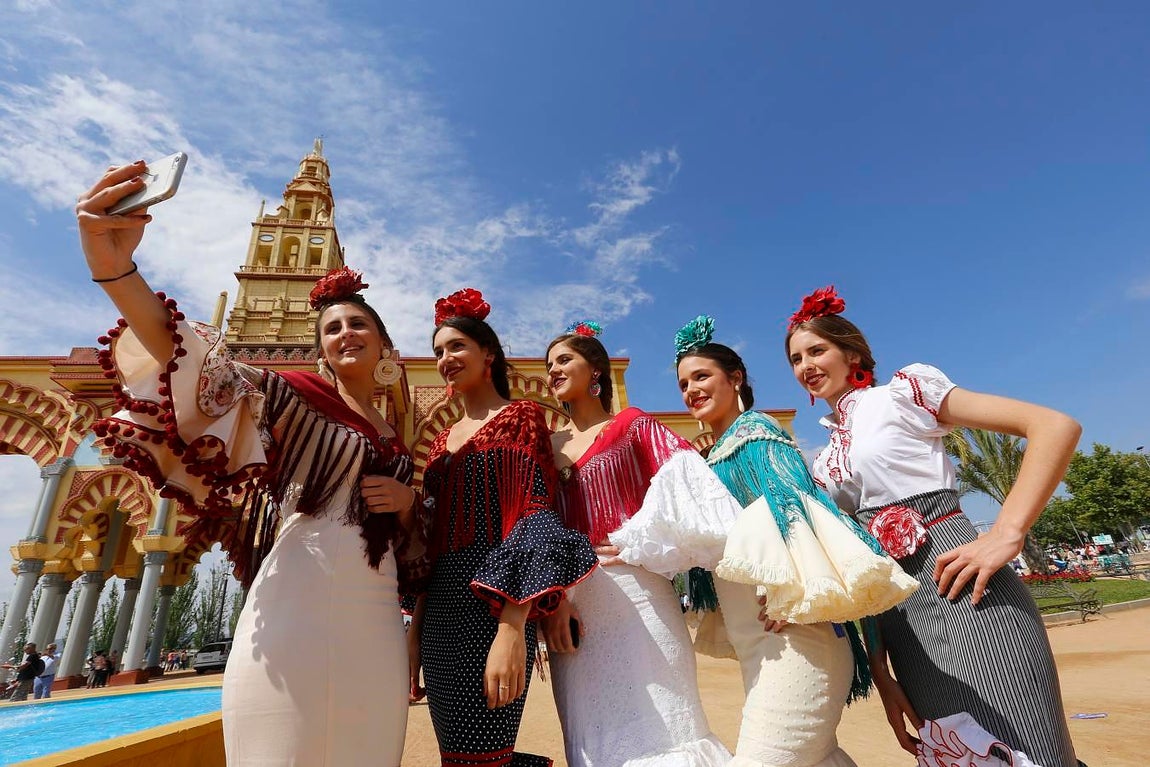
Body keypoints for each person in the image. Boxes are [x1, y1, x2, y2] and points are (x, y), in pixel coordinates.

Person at [77, 162, 420, 766]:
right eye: (332, 327)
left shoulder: (395, 435)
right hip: (298, 591)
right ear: (319, 350)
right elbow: (182, 351)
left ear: (385, 346)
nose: (344, 333)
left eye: (357, 324)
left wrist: (413, 502)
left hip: (376, 609)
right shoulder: (291, 397)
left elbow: (422, 535)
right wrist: (113, 266)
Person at [785, 285, 1083, 766]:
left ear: (852, 352)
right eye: (796, 359)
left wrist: (1006, 532)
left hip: (971, 591)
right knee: (957, 755)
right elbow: (860, 568)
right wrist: (881, 673)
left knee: (1031, 749)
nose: (806, 366)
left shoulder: (903, 394)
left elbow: (1053, 425)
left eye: (817, 350)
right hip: (902, 623)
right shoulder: (823, 462)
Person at [673, 315, 918, 767]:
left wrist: (790, 583)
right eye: (684, 383)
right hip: (765, 652)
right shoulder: (718, 452)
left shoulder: (758, 434)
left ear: (736, 378)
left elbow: (799, 509)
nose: (691, 390)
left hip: (796, 644)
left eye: (702, 376)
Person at [412, 289, 598, 767]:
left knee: (485, 756)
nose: (445, 359)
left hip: (490, 606)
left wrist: (513, 627)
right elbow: (429, 544)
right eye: (438, 352)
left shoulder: (520, 418)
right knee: (457, 757)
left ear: (488, 354)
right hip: (439, 612)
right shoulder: (439, 444)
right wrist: (414, 630)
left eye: (457, 347)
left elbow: (533, 513)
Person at [540, 322, 734, 766]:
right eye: (549, 364)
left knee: (666, 726)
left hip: (637, 596)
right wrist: (551, 602)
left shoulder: (634, 424)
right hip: (572, 611)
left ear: (596, 371)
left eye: (564, 359)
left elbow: (691, 488)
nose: (553, 370)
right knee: (592, 735)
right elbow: (538, 526)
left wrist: (636, 540)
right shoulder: (547, 447)